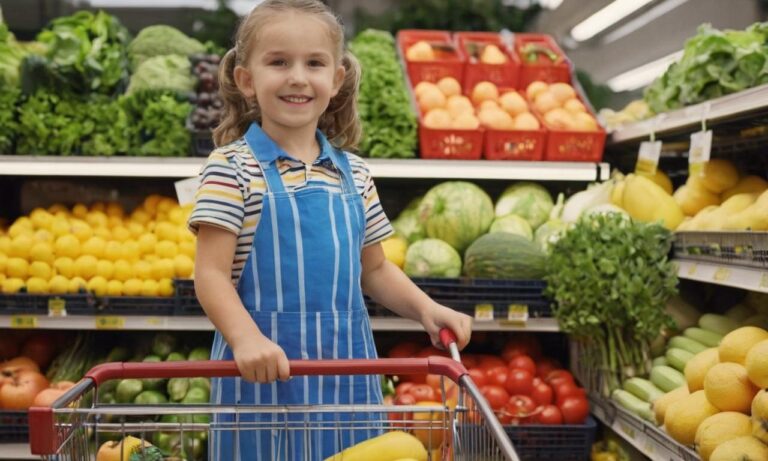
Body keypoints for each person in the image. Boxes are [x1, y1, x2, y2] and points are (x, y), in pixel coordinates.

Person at [188, 0, 472, 459]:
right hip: (262, 380)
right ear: (247, 80)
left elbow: (375, 269)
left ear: (336, 80)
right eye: (278, 62)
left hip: (348, 381)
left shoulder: (354, 173)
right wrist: (246, 340)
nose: (298, 77)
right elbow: (211, 276)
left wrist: (425, 308)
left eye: (314, 63)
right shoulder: (230, 168)